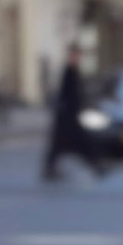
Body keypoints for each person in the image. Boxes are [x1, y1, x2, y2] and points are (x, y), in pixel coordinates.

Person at [40, 42, 108, 181]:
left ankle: (97, 166)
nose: (77, 58)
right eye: (75, 55)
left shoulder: (73, 71)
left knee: (74, 144)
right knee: (70, 144)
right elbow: (66, 94)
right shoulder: (69, 71)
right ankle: (97, 166)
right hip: (67, 117)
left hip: (71, 116)